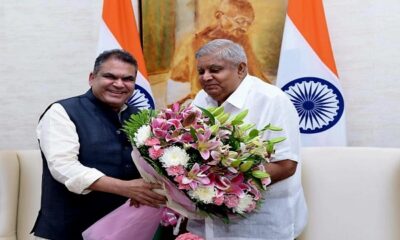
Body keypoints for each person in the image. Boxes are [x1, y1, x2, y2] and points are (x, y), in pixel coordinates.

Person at [32, 49, 166, 240]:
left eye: (127, 79)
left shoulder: (143, 117)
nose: (119, 84)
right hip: (69, 230)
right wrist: (126, 188)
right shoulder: (62, 112)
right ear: (92, 78)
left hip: (129, 229)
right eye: (110, 76)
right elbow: (64, 168)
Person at [188, 39, 308, 239]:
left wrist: (223, 185)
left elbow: (286, 165)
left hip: (260, 223)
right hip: (209, 220)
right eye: (201, 72)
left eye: (215, 70)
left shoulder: (271, 100)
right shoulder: (201, 99)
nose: (206, 77)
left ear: (241, 69)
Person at [168, 0, 269, 104]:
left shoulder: (241, 38)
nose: (244, 28)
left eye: (248, 24)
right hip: (185, 89)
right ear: (219, 16)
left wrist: (271, 91)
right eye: (240, 21)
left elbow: (254, 71)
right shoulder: (199, 41)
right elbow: (197, 83)